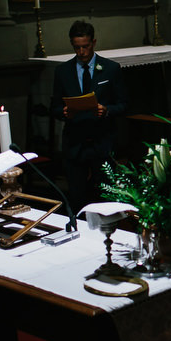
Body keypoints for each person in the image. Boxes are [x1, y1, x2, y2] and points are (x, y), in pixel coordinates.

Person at [51, 20, 129, 212]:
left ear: (93, 42)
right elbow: (54, 107)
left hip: (101, 141)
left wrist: (107, 110)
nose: (81, 52)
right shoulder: (63, 71)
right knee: (77, 198)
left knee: (105, 197)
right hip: (75, 142)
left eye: (85, 47)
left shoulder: (110, 69)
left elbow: (124, 105)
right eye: (77, 47)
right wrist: (63, 112)